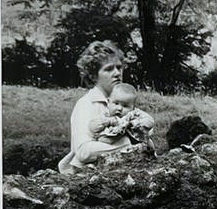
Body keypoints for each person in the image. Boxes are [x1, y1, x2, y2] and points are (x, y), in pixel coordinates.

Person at [58, 40, 152, 174]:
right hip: (87, 177)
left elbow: (146, 130)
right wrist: (128, 146)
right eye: (109, 69)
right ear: (93, 75)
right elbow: (84, 152)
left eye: (119, 68)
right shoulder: (86, 104)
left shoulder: (125, 101)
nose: (117, 73)